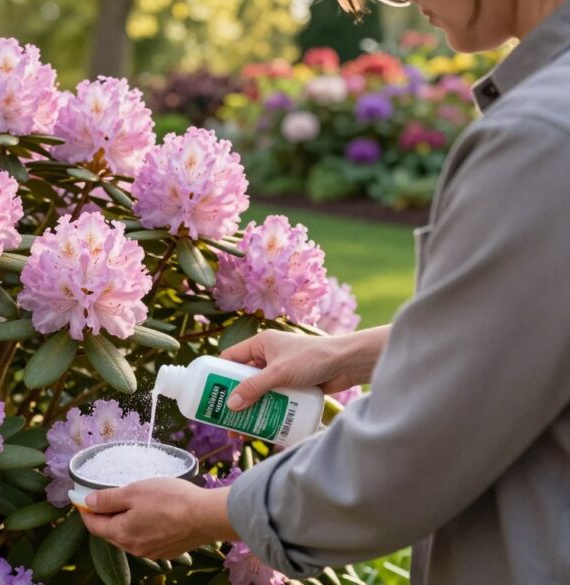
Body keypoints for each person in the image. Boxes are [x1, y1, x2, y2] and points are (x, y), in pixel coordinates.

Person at [80, 0, 570, 583]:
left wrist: (208, 512)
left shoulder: (540, 139)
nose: (402, 4)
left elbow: (412, 459)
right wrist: (348, 354)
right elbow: (527, 328)